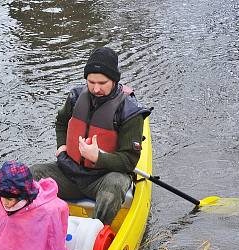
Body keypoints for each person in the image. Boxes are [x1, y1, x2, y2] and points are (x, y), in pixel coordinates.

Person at [30, 46, 151, 226]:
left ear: (114, 80)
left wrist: (98, 157)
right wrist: (61, 146)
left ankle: (95, 232)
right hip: (70, 173)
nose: (95, 88)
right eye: (91, 82)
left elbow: (129, 161)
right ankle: (35, 226)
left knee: (115, 185)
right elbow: (61, 122)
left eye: (102, 83)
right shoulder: (76, 96)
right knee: (31, 174)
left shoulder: (130, 111)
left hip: (102, 179)